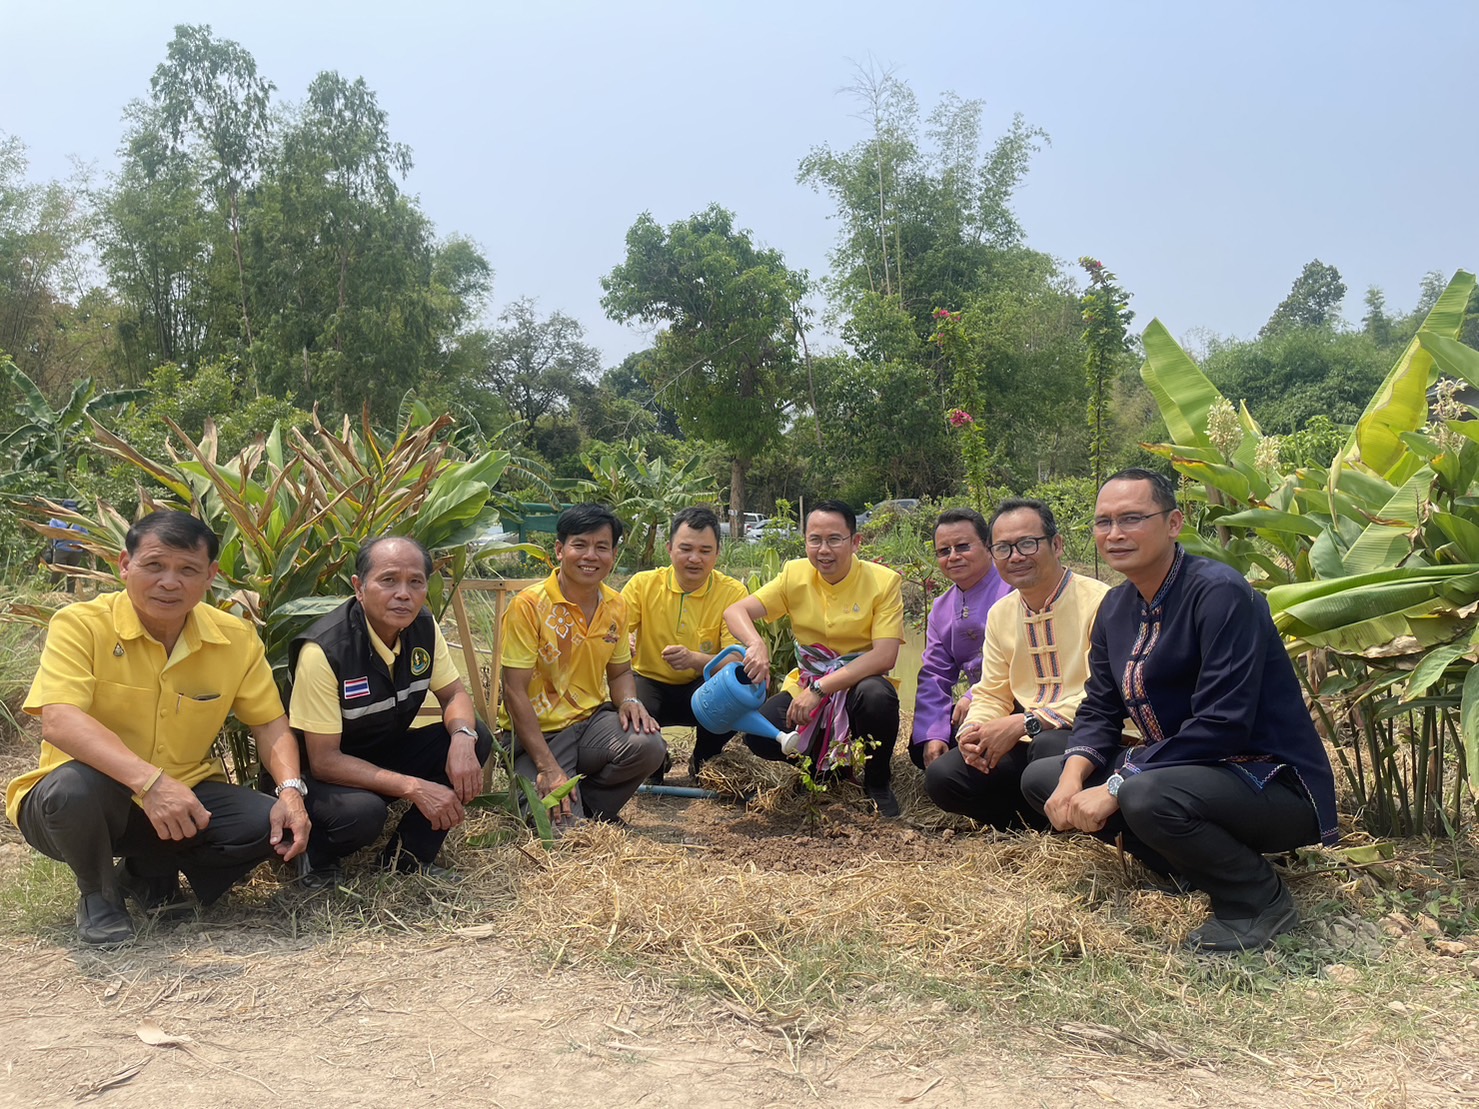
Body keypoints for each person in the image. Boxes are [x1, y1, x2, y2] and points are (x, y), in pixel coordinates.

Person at [1021, 469, 1340, 953]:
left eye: (1132, 518)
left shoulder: (1220, 593)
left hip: (1270, 779)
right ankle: (1190, 868)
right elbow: (1100, 706)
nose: (1115, 534)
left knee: (1145, 793)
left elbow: (1223, 725)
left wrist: (1116, 784)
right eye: (1103, 522)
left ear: (1173, 523)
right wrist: (1071, 781)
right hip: (1189, 774)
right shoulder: (1115, 608)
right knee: (1043, 776)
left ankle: (1258, 901)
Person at [8, 511, 311, 947]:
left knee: (263, 823)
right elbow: (60, 721)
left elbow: (269, 723)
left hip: (183, 795)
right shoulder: (81, 624)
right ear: (124, 565)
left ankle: (144, 873)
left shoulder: (236, 638)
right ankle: (98, 895)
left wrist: (290, 791)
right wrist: (150, 783)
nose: (170, 582)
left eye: (187, 570)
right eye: (154, 565)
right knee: (74, 789)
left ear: (211, 576)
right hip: (82, 802)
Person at [285, 536, 494, 888]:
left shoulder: (423, 628)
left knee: (477, 736)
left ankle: (407, 860)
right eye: (388, 580)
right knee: (363, 814)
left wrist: (462, 737)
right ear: (359, 587)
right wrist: (414, 787)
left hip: (380, 751)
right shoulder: (325, 650)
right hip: (319, 776)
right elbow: (323, 760)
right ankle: (315, 857)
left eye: (416, 582)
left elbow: (454, 693)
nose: (403, 593)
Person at [924, 500, 1110, 829]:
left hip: (1088, 738)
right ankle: (1036, 827)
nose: (1016, 556)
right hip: (1028, 737)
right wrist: (972, 733)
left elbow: (1104, 697)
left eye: (1027, 543)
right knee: (944, 776)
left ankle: (1071, 820)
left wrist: (1024, 723)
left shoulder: (1099, 602)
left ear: (1057, 544)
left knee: (1047, 747)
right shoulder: (1002, 612)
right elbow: (992, 692)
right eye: (1004, 548)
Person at [724, 500, 906, 817]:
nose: (824, 550)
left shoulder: (883, 582)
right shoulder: (794, 574)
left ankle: (877, 782)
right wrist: (755, 644)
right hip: (806, 683)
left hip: (858, 685)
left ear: (855, 542)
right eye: (815, 540)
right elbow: (735, 611)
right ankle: (824, 770)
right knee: (760, 734)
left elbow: (884, 655)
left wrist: (821, 688)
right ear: (805, 540)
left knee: (877, 696)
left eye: (835, 539)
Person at [499, 504, 666, 828]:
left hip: (589, 726)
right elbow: (513, 690)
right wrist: (547, 767)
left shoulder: (617, 605)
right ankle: (562, 802)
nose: (591, 555)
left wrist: (630, 701)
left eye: (601, 547)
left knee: (648, 744)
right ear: (560, 550)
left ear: (613, 554)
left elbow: (619, 672)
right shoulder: (529, 606)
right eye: (580, 545)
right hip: (538, 736)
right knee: (560, 835)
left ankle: (589, 807)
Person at [622, 506, 750, 780]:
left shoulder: (733, 592)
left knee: (735, 692)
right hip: (650, 682)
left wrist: (695, 659)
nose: (695, 558)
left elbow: (737, 660)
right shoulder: (642, 585)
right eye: (686, 549)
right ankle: (653, 762)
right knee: (626, 701)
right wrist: (624, 641)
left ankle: (705, 759)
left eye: (705, 551)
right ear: (669, 548)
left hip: (702, 686)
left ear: (718, 553)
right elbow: (613, 633)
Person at [909, 508, 1012, 771]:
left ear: (988, 546)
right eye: (944, 551)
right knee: (921, 746)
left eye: (963, 546)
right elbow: (935, 674)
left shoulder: (1013, 589)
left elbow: (1020, 658)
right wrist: (934, 733)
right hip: (975, 706)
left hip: (1013, 698)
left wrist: (973, 695)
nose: (953, 557)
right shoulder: (941, 609)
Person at [46, 498, 89, 594]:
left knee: (72, 573)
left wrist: (80, 541)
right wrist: (66, 534)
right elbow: (51, 533)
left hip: (76, 550)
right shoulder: (56, 520)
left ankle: (70, 593)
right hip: (61, 549)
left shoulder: (79, 520)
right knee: (56, 571)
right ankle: (51, 591)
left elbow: (85, 534)